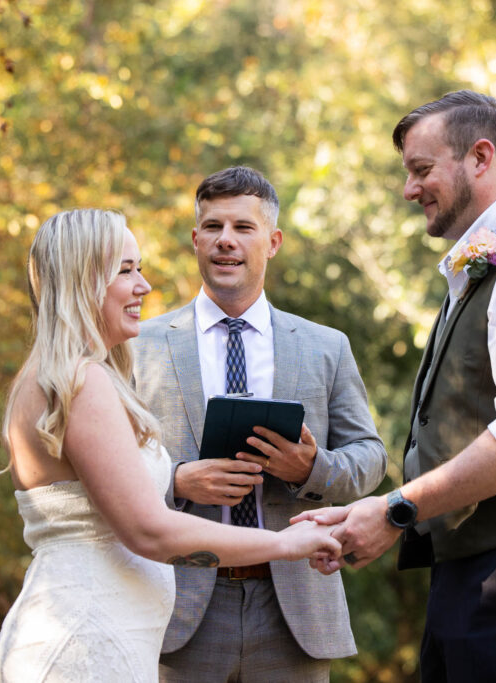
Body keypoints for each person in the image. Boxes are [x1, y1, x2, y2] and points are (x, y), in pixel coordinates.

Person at [293, 91, 496, 682]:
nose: (409, 190)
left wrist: (394, 511)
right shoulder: (485, 265)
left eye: (421, 170)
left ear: (480, 157)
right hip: (481, 569)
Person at [0, 209, 341, 683]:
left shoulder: (58, 376)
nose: (144, 286)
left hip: (103, 636)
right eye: (126, 270)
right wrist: (283, 543)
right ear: (83, 278)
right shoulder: (82, 381)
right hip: (86, 642)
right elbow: (149, 531)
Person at [131, 166, 387, 683]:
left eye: (243, 228)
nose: (226, 241)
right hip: (177, 607)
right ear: (196, 239)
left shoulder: (325, 346)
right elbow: (104, 464)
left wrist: (311, 468)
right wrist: (176, 479)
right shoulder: (138, 345)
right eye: (213, 227)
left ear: (272, 242)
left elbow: (371, 459)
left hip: (295, 606)